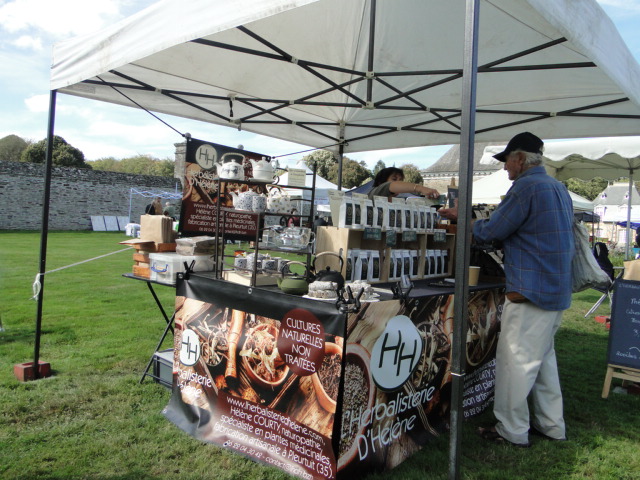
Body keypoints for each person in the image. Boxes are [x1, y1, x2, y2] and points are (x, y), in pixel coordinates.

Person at [439, 132, 573, 447]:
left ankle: (512, 431)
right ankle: (551, 425)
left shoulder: (525, 187)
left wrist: (465, 221)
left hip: (530, 291)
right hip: (555, 290)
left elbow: (492, 231)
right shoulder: (558, 187)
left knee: (516, 362)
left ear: (521, 159)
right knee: (543, 364)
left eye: (507, 162)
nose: (505, 169)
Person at [368, 167, 439, 200]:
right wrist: (420, 188)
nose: (399, 183)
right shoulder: (376, 192)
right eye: (394, 179)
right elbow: (390, 185)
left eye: (401, 180)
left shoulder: (397, 201)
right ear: (381, 182)